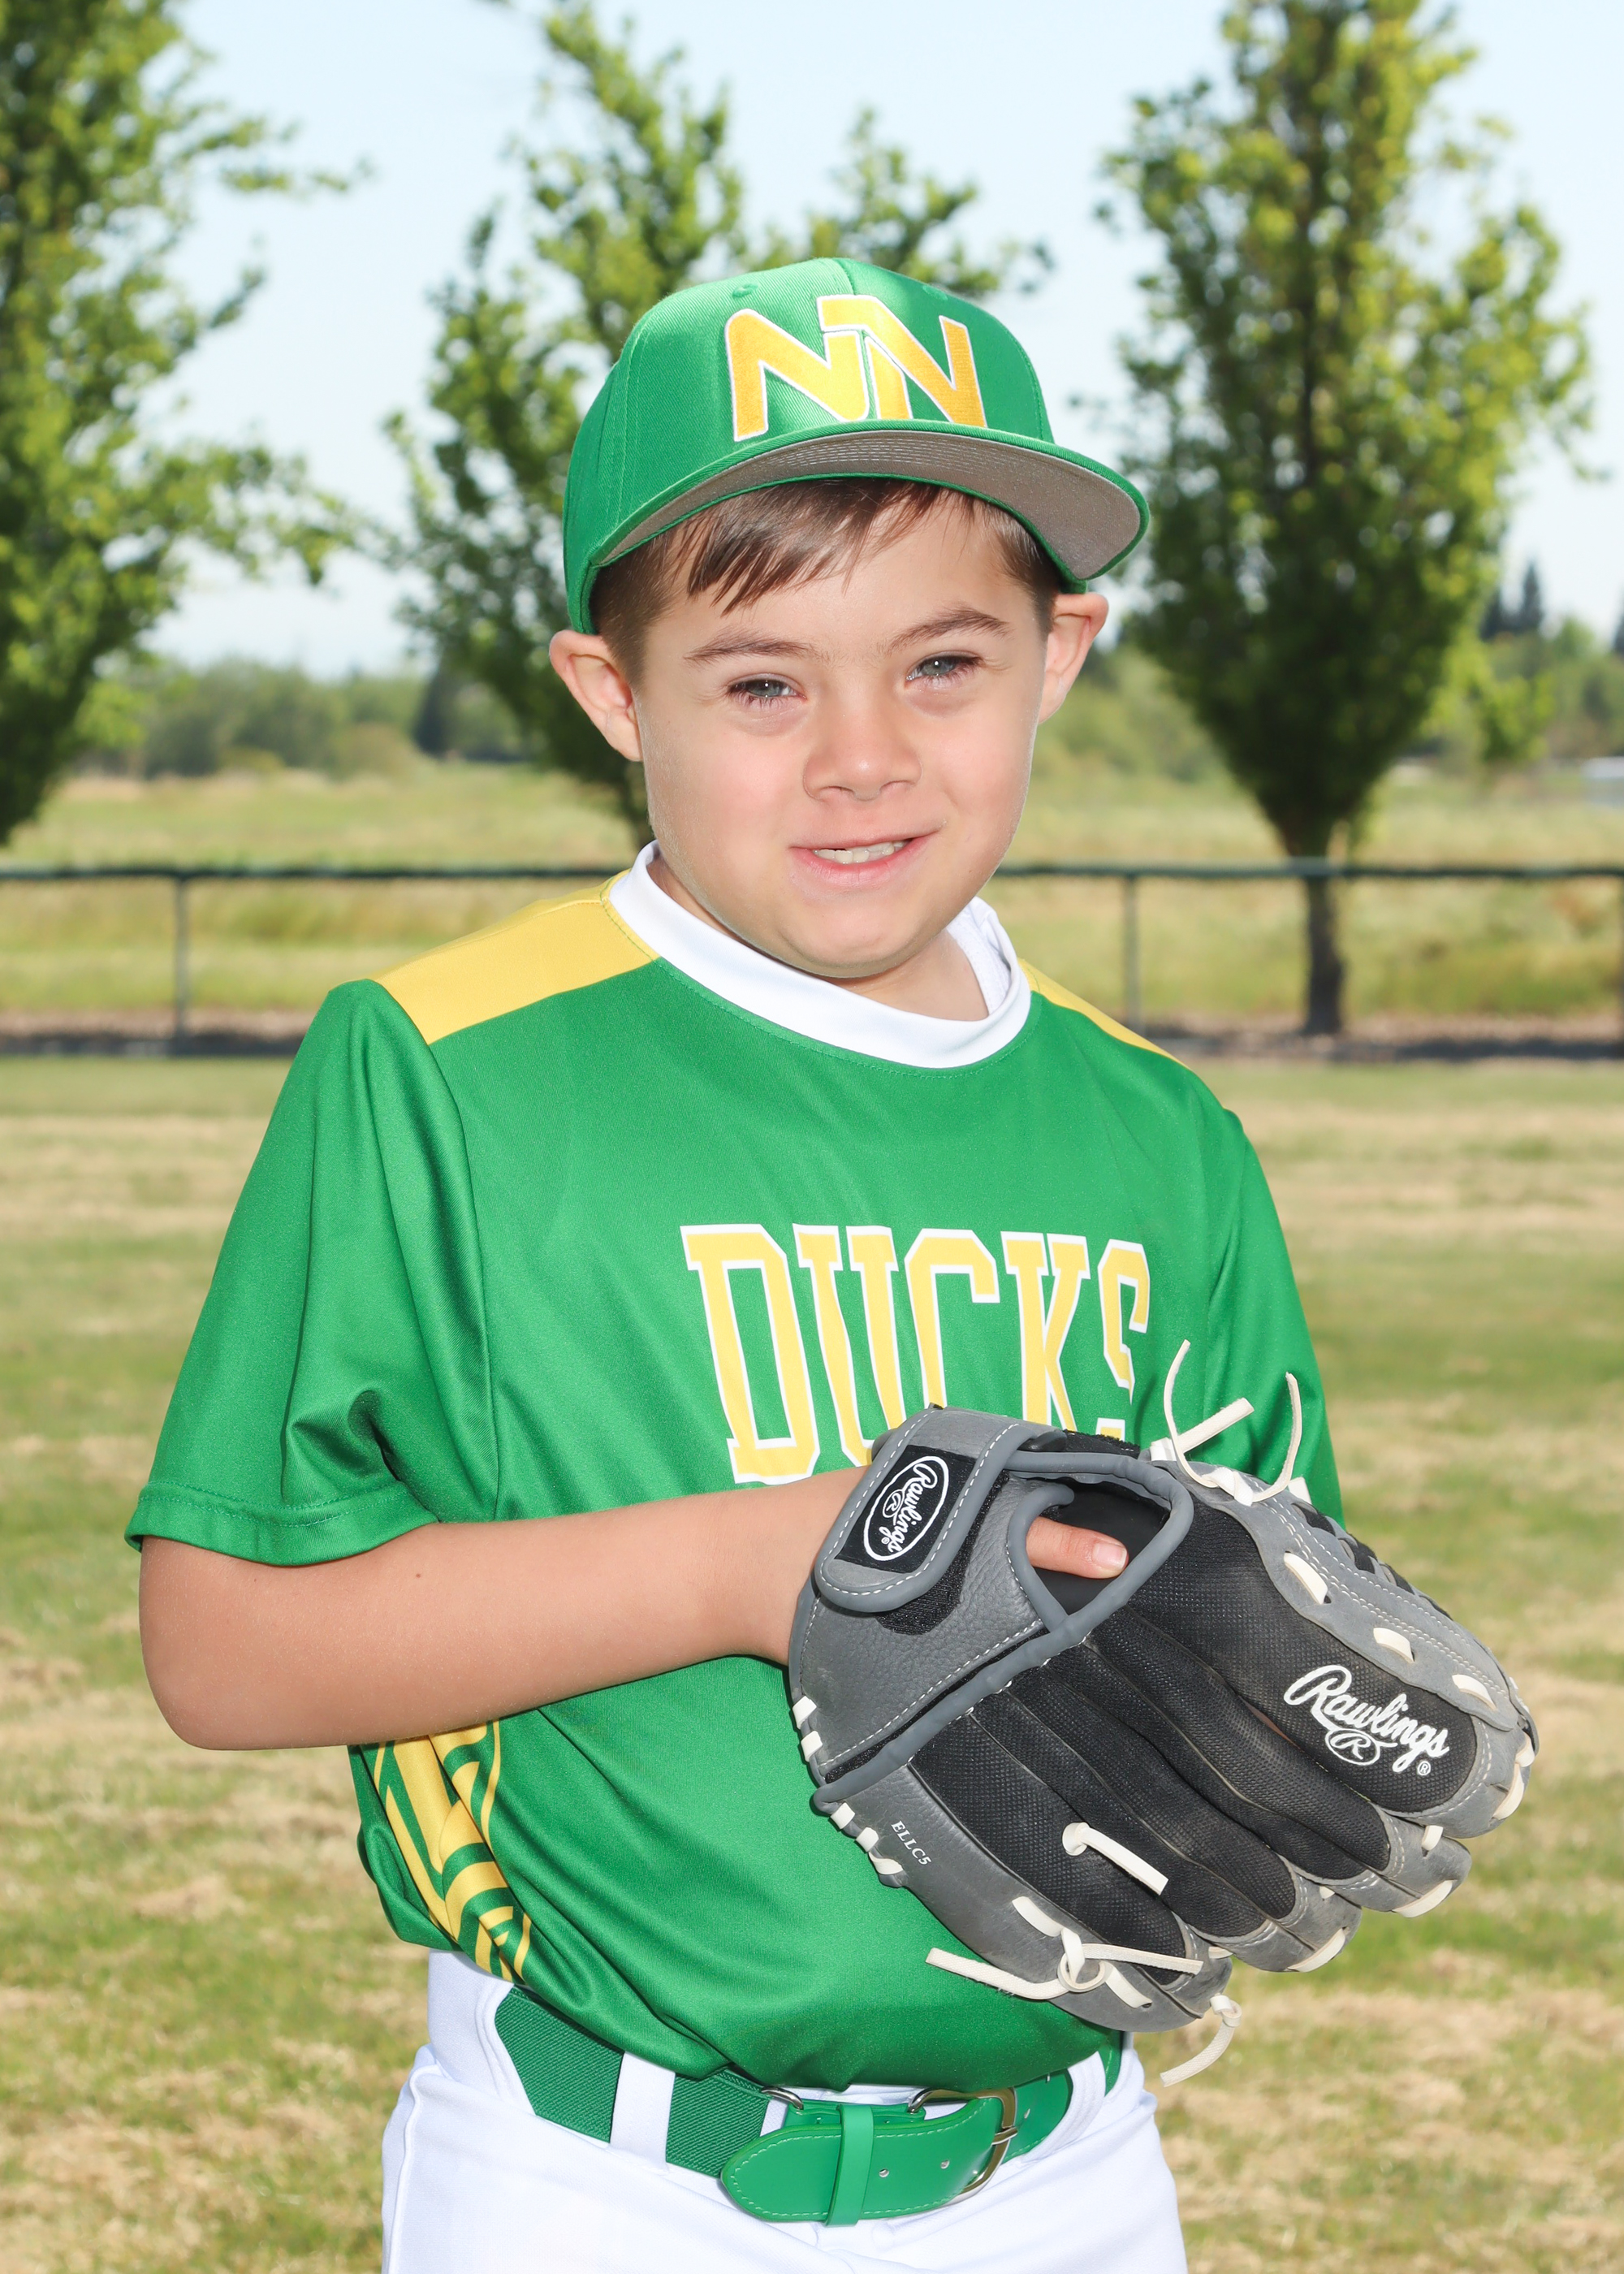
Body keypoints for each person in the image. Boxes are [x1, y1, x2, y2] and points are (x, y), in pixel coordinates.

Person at [134, 259, 1339, 2273]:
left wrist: (1260, 1716)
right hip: (603, 2178)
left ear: (1059, 652)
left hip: (1066, 2174)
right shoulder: (444, 1066)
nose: (861, 754)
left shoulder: (1164, 1135)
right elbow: (221, 1645)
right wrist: (755, 1565)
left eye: (941, 663)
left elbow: (1255, 1629)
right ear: (615, 692)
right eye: (763, 683)